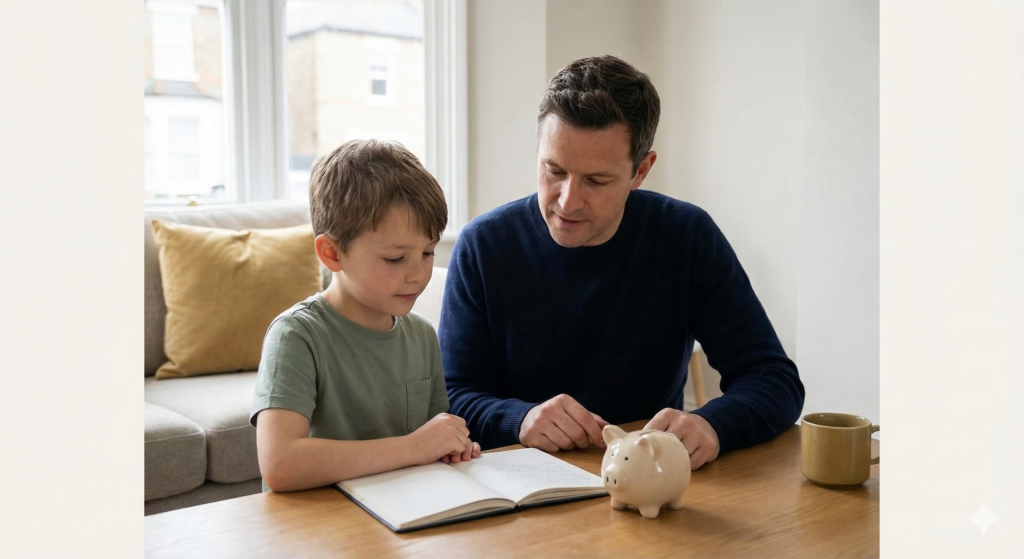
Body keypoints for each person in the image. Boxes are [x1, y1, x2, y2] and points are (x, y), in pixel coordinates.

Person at [438, 55, 805, 470]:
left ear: (640, 171)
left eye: (597, 181)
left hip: (648, 478)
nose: (567, 201)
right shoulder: (483, 246)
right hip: (518, 485)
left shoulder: (686, 236)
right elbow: (454, 397)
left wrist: (713, 425)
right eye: (553, 170)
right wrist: (518, 419)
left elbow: (774, 379)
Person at [251, 139, 481, 492]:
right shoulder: (297, 335)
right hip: (316, 529)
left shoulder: (421, 335)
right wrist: (413, 447)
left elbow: (430, 440)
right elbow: (280, 464)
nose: (418, 274)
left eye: (428, 252)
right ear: (331, 253)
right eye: (395, 258)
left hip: (401, 516)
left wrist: (449, 446)